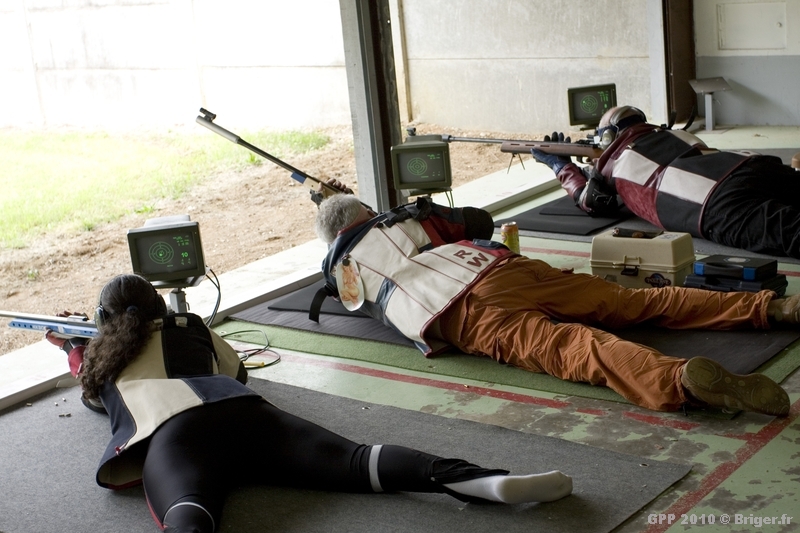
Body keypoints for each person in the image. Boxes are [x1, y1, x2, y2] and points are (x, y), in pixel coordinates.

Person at [45, 274, 573, 533]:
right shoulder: (190, 325)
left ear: (102, 321)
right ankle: (483, 480)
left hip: (172, 436)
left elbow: (91, 390)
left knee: (190, 516)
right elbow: (236, 371)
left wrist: (73, 346)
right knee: (359, 461)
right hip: (243, 411)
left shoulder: (99, 361)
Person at [312, 182, 796, 418]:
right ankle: (771, 307)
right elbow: (478, 222)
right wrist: (404, 210)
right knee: (634, 301)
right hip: (502, 270)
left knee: (579, 349)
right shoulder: (404, 218)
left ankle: (679, 380)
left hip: (462, 314)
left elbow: (352, 294)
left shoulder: (337, 272)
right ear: (366, 210)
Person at [529, 105, 800, 259]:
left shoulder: (614, 163)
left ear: (608, 138)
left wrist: (561, 166)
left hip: (712, 201)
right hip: (751, 165)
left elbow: (592, 202)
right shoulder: (677, 135)